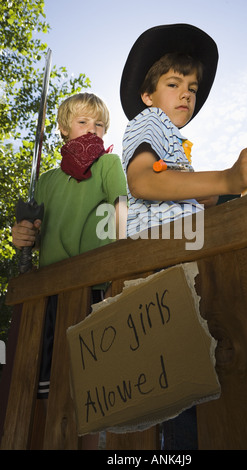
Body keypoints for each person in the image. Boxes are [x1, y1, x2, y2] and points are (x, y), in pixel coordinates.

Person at [120, 23, 247, 449]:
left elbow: (175, 188)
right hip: (160, 267)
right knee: (181, 388)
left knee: (189, 381)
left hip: (178, 263)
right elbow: (143, 182)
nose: (187, 93)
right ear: (147, 95)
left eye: (192, 86)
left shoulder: (173, 140)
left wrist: (217, 191)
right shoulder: (148, 122)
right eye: (173, 83)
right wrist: (229, 177)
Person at [12, 92, 127, 449]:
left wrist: (124, 261)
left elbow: (121, 205)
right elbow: (32, 236)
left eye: (99, 125)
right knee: (46, 385)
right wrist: (22, 237)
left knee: (87, 387)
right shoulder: (45, 182)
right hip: (50, 295)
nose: (92, 129)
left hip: (94, 286)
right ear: (64, 129)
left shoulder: (108, 164)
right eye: (83, 122)